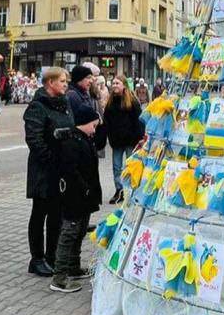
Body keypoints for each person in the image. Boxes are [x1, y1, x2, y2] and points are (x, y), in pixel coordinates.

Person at [49, 82, 102, 294]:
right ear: (83, 123)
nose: (95, 128)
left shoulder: (84, 138)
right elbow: (71, 171)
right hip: (75, 196)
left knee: (79, 231)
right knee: (69, 233)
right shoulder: (72, 142)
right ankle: (59, 277)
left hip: (85, 196)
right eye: (93, 124)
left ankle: (73, 266)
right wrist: (84, 188)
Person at [24, 67, 72, 277]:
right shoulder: (38, 106)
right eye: (62, 81)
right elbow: (34, 139)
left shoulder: (65, 104)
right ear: (50, 82)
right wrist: (52, 158)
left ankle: (52, 255)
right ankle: (37, 258)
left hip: (61, 169)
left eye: (66, 81)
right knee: (40, 213)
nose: (65, 84)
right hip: (43, 169)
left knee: (57, 214)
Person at [102, 74, 144, 205]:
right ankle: (119, 190)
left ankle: (131, 191)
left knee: (130, 166)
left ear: (124, 86)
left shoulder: (132, 101)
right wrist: (108, 136)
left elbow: (139, 120)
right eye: (113, 83)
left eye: (117, 83)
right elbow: (107, 120)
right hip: (117, 141)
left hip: (131, 140)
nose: (114, 86)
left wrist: (141, 138)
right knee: (116, 167)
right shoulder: (110, 101)